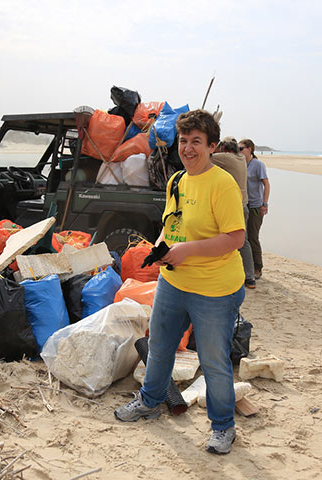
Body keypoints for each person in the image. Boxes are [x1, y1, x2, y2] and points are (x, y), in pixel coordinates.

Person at [114, 110, 246, 455]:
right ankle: (149, 401)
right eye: (184, 141)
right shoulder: (177, 181)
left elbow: (235, 238)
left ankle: (222, 428)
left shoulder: (222, 184)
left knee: (214, 361)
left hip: (215, 289)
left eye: (196, 142)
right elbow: (172, 226)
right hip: (174, 283)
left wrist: (188, 250)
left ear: (211, 146)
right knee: (159, 345)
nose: (188, 148)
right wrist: (160, 249)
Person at [212, 137, 256, 288]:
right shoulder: (240, 158)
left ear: (225, 149)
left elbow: (207, 156)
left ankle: (248, 277)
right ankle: (249, 276)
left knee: (238, 241)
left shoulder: (227, 158)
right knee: (244, 241)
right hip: (243, 204)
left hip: (236, 205)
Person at [239, 139, 270, 279]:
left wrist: (265, 203)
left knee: (253, 237)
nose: (239, 151)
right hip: (243, 205)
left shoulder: (258, 164)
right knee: (242, 238)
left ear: (250, 149)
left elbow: (266, 184)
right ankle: (247, 267)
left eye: (241, 148)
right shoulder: (240, 163)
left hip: (256, 206)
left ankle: (258, 267)